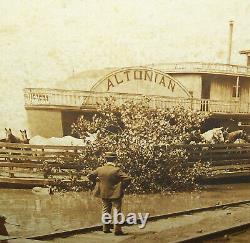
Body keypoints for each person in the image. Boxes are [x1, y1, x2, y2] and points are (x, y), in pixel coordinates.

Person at [87, 152, 131, 235]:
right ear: (115, 159)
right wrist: (121, 187)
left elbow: (89, 176)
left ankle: (105, 228)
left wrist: (97, 181)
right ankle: (117, 230)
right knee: (117, 211)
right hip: (115, 193)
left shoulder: (100, 169)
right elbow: (128, 179)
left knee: (105, 210)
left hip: (103, 192)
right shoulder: (116, 170)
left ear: (105, 159)